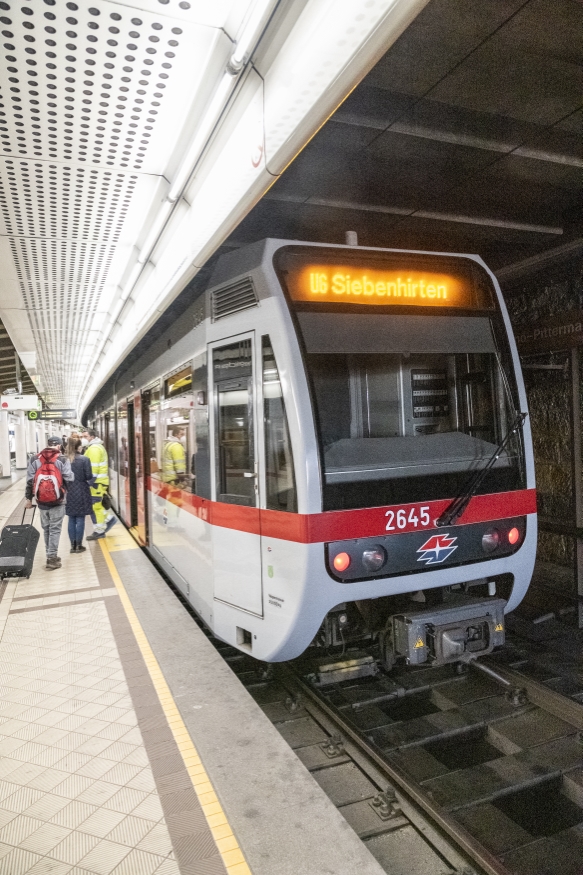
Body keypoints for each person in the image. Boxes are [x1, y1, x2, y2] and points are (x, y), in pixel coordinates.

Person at [25, 436, 74, 571]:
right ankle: (51, 558)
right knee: (55, 529)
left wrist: (28, 498)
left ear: (48, 444)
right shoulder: (62, 459)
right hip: (58, 500)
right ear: (59, 446)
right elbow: (69, 478)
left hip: (41, 501)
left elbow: (30, 481)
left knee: (46, 528)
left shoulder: (35, 459)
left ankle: (50, 555)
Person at [82, 428, 117, 540]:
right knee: (95, 506)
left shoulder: (94, 449)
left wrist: (90, 482)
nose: (83, 439)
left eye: (85, 436)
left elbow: (93, 467)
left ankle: (100, 531)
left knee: (95, 507)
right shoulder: (94, 447)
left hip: (96, 483)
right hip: (98, 482)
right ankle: (108, 520)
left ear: (92, 437)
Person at [65, 437, 95, 553]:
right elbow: (88, 476)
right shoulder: (84, 459)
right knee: (80, 518)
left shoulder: (64, 459)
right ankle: (79, 545)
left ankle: (72, 546)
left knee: (71, 518)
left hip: (68, 491)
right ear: (78, 447)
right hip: (82, 490)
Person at [161, 426, 187, 529]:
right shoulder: (176, 446)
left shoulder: (167, 445)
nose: (183, 437)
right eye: (182, 434)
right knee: (175, 502)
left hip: (168, 478)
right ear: (176, 435)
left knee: (171, 502)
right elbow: (179, 464)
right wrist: (182, 478)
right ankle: (173, 524)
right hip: (174, 480)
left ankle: (170, 522)